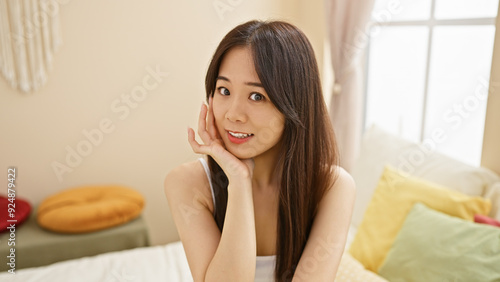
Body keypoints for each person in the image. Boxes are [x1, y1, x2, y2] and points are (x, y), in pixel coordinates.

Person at [164, 19, 355, 282]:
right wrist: (239, 182)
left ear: (295, 104)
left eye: (256, 96)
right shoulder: (187, 184)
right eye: (224, 90)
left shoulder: (332, 187)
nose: (233, 114)